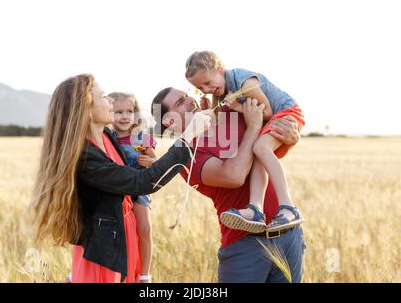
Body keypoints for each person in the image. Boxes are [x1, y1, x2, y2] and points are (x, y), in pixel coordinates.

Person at [30, 74, 210, 283]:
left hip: (126, 240)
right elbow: (142, 182)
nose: (112, 101)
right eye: (104, 97)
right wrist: (187, 136)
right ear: (86, 111)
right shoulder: (86, 157)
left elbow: (140, 174)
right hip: (105, 256)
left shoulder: (106, 137)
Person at [151, 87, 305, 282]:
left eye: (187, 95)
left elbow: (273, 132)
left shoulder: (230, 113)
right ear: (169, 122)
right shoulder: (186, 156)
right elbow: (234, 176)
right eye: (180, 103)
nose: (190, 100)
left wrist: (292, 137)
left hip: (287, 231)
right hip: (244, 244)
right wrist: (253, 127)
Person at [185, 51, 305, 233]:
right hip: (272, 120)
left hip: (286, 113)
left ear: (219, 69)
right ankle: (255, 208)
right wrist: (208, 110)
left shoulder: (245, 82)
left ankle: (288, 207)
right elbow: (220, 118)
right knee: (259, 154)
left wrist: (240, 107)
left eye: (208, 83)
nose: (207, 90)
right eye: (201, 89)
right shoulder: (222, 90)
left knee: (260, 148)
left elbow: (267, 112)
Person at [108, 92, 156, 283]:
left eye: (129, 111)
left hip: (138, 188)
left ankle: (144, 274)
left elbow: (155, 162)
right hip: (115, 190)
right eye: (118, 112)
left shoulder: (140, 138)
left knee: (144, 228)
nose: (125, 116)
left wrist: (149, 162)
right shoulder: (107, 137)